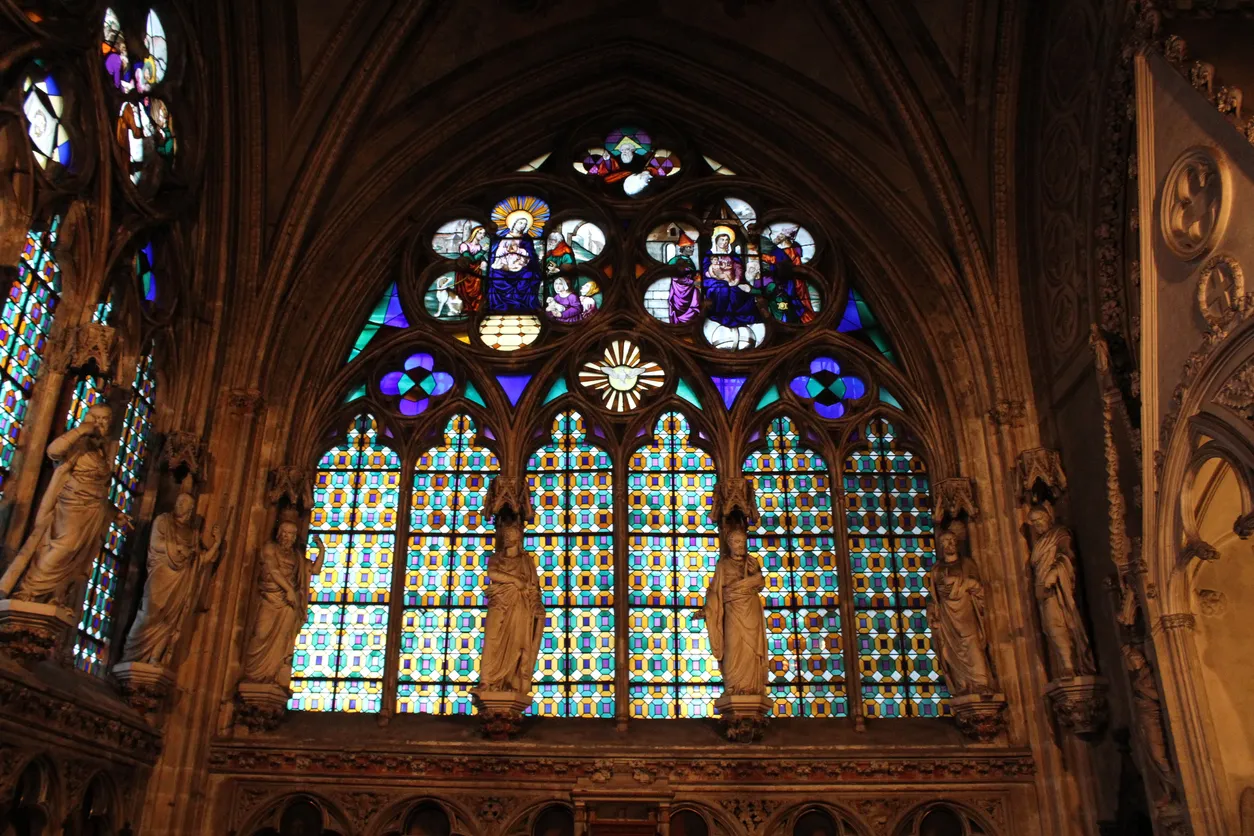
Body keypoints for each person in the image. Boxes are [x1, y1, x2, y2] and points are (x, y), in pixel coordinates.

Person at [0, 404, 120, 607]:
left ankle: (56, 594)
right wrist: (81, 430)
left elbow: (100, 487)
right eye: (96, 418)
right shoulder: (78, 443)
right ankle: (28, 590)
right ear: (87, 418)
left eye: (105, 419)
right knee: (64, 546)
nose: (100, 423)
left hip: (93, 512)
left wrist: (114, 513)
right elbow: (53, 451)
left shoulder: (101, 453)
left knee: (76, 556)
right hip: (71, 505)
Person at [120, 490, 222, 666]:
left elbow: (200, 560)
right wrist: (177, 548)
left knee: (170, 620)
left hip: (181, 580)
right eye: (179, 501)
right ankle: (130, 654)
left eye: (184, 503)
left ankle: (154, 658)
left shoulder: (192, 534)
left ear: (190, 510)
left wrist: (217, 543)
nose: (179, 504)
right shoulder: (163, 521)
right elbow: (155, 544)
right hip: (161, 574)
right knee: (149, 613)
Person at [240, 521, 325, 685]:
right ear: (279, 533)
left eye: (291, 534)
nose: (287, 537)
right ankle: (254, 675)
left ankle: (273, 676)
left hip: (289, 605)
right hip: (271, 597)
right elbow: (273, 570)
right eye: (285, 533)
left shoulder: (297, 557)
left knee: (283, 640)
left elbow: (314, 570)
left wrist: (321, 550)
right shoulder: (270, 548)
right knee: (261, 633)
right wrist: (288, 590)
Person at [1028, 503, 1096, 679]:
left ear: (1048, 517)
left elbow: (1067, 554)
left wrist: (1055, 571)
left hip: (1058, 586)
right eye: (1034, 522)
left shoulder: (1059, 533)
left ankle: (1069, 664)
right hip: (1042, 588)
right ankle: (1065, 663)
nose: (1038, 525)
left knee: (1062, 622)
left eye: (1040, 519)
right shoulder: (1039, 543)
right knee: (1050, 627)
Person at [925, 530, 995, 696]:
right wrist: (933, 615)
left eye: (951, 540)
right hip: (947, 615)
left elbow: (979, 589)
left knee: (972, 645)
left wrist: (961, 583)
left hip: (966, 612)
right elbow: (934, 597)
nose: (949, 544)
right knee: (950, 650)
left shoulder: (966, 564)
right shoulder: (937, 569)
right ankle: (962, 684)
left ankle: (980, 682)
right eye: (945, 541)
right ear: (941, 546)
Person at [477, 518, 544, 693]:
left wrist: (537, 605)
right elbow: (492, 573)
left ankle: (510, 682)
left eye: (511, 534)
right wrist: (514, 580)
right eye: (505, 534)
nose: (507, 537)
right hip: (499, 603)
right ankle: (487, 680)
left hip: (520, 606)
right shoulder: (496, 558)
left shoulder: (526, 561)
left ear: (518, 537)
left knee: (517, 643)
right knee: (491, 640)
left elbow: (533, 587)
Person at [703, 528, 768, 696]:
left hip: (750, 610)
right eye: (737, 542)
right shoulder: (723, 564)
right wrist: (708, 609)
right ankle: (733, 686)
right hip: (732, 610)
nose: (741, 546)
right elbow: (714, 591)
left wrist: (755, 576)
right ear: (729, 544)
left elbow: (760, 583)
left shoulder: (752, 562)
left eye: (743, 542)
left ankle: (752, 688)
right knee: (732, 648)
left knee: (751, 649)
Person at [487, 214, 542, 312]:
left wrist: (519, 251)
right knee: (494, 275)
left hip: (521, 266)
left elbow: (531, 254)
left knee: (529, 275)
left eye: (525, 225)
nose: (522, 226)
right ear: (514, 223)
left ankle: (519, 301)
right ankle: (501, 304)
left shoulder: (526, 238)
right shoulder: (503, 236)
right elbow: (495, 251)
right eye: (520, 223)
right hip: (503, 266)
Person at [762, 227, 815, 324]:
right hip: (788, 280)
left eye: (780, 235)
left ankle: (796, 319)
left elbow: (778, 261)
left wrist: (760, 255)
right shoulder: (789, 250)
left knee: (793, 300)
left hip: (790, 282)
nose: (777, 237)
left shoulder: (789, 251)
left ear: (785, 238)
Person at [455, 226, 488, 313]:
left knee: (477, 291)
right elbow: (470, 259)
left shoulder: (479, 246)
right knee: (465, 292)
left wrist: (484, 261)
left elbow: (480, 258)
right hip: (466, 273)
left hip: (476, 272)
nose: (482, 235)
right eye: (480, 233)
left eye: (484, 234)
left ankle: (475, 308)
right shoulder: (464, 245)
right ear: (474, 233)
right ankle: (466, 308)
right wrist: (483, 251)